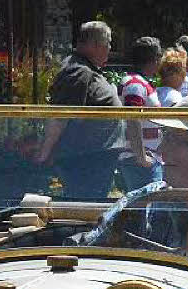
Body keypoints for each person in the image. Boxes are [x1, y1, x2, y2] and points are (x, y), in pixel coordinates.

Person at [76, 91, 188, 261]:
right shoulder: (144, 201)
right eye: (164, 136)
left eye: (174, 139)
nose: (160, 149)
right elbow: (85, 253)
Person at [35, 21, 125, 200]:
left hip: (94, 159)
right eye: (107, 45)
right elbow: (61, 115)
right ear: (93, 45)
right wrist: (44, 154)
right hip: (86, 161)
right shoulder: (78, 71)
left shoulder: (85, 68)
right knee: (85, 208)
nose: (109, 50)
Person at [119, 36, 163, 190]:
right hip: (139, 161)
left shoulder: (140, 83)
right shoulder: (135, 85)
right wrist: (141, 157)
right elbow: (133, 119)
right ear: (155, 59)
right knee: (148, 207)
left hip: (146, 158)